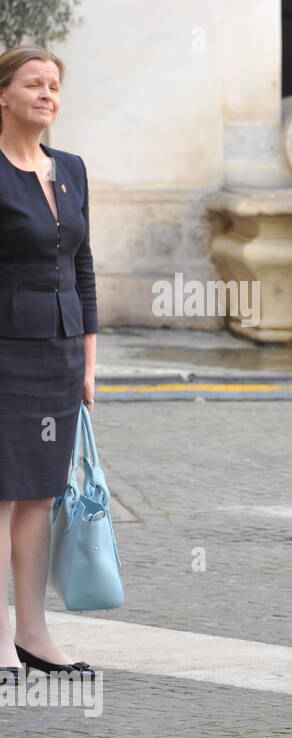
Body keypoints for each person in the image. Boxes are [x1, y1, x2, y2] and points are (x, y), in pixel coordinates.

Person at [0, 45, 98, 683]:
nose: (47, 94)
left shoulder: (71, 169)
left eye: (55, 85)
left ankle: (33, 632)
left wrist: (89, 358)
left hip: (61, 353)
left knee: (40, 494)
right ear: (2, 95)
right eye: (33, 83)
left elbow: (83, 267)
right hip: (5, 350)